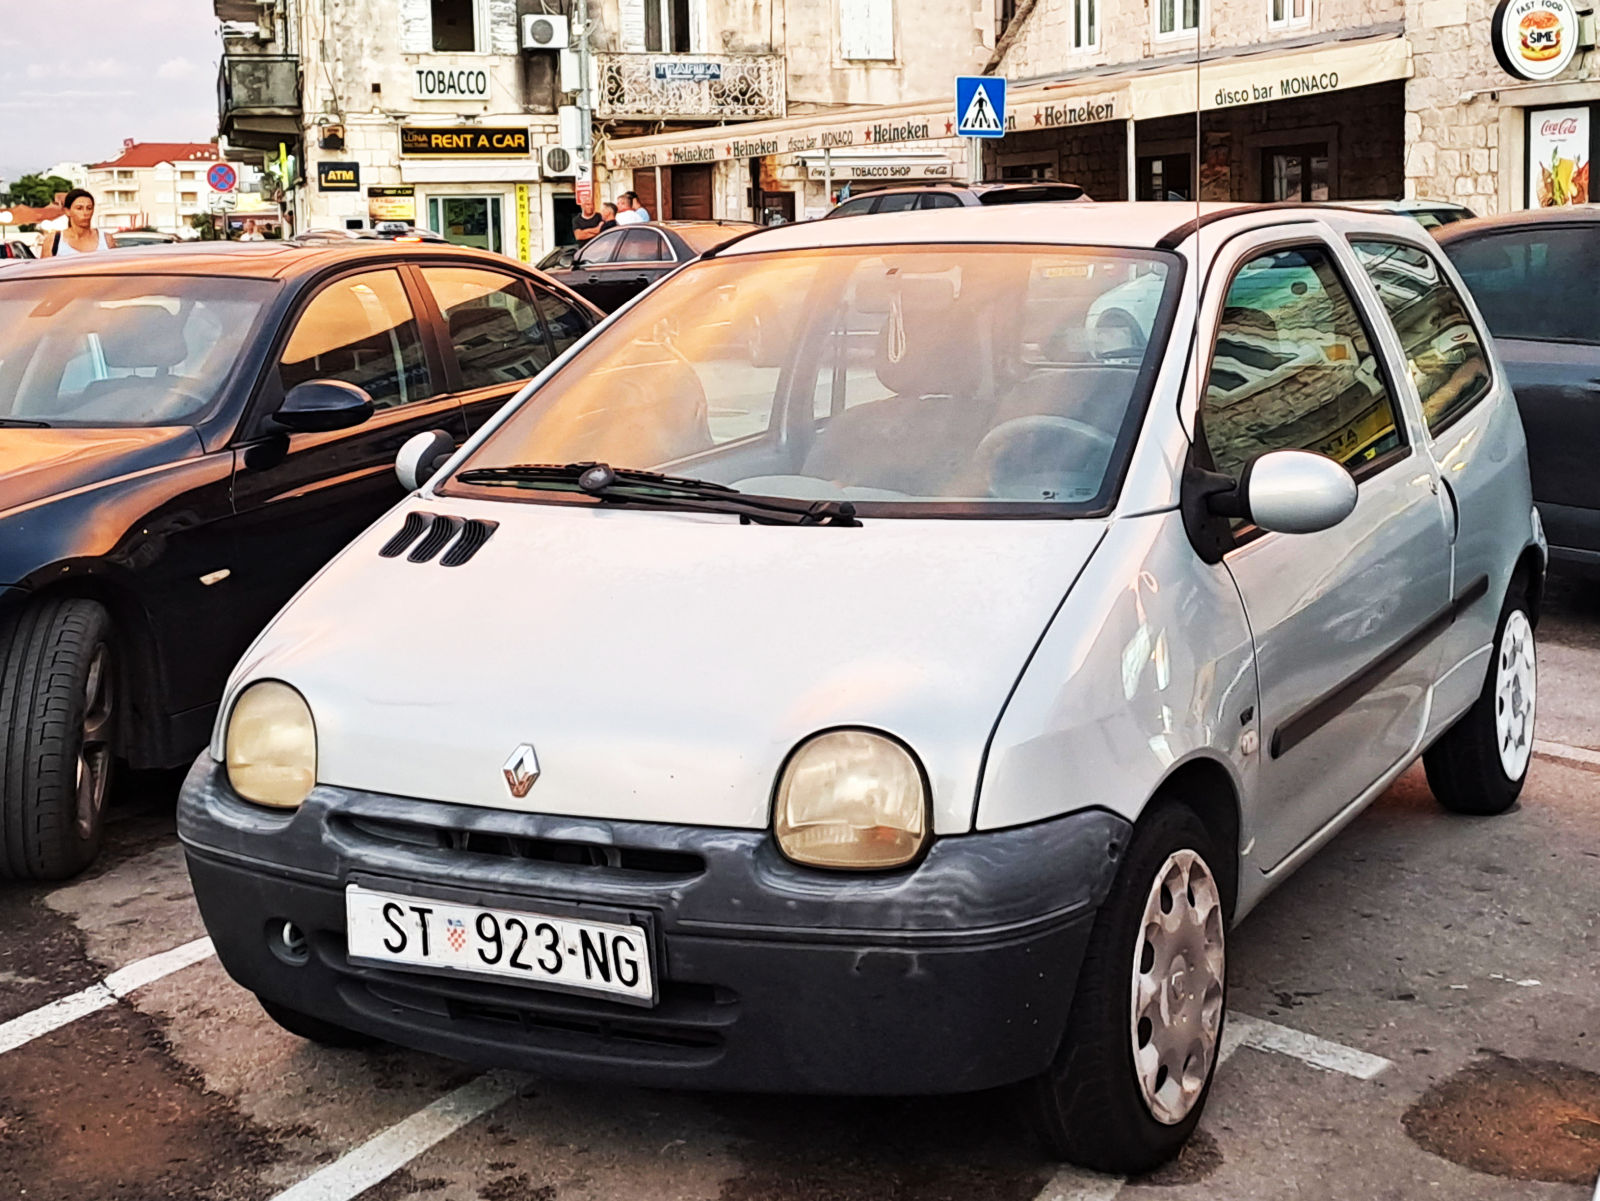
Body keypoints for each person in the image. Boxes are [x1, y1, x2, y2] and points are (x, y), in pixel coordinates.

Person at [38, 189, 114, 257]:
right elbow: (45, 270)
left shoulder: (106, 239)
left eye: (89, 208)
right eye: (79, 208)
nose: (85, 213)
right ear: (67, 211)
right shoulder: (53, 241)